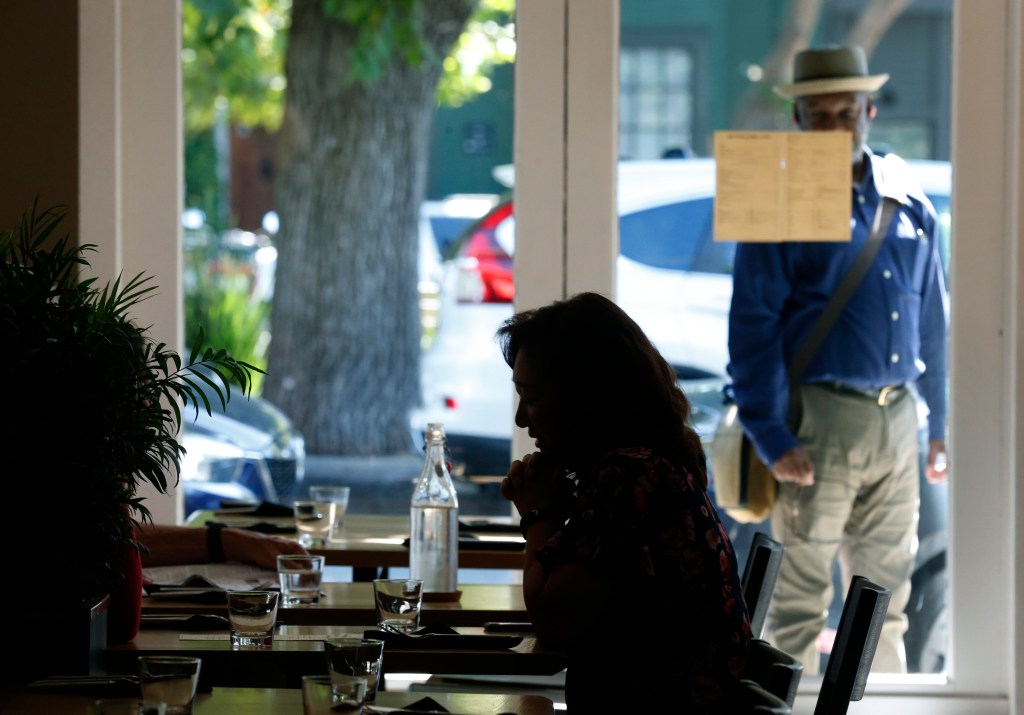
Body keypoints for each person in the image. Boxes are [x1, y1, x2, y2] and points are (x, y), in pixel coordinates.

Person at [727, 44, 950, 675]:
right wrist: (771, 434)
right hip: (815, 422)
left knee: (885, 601)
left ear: (869, 111)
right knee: (799, 599)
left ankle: (881, 707)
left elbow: (934, 320)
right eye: (819, 114)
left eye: (846, 111)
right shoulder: (778, 198)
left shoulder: (907, 197)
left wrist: (939, 425)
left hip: (896, 417)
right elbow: (752, 327)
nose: (835, 125)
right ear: (799, 122)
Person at [497, 291, 750, 713]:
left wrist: (540, 513)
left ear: (586, 398)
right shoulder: (651, 465)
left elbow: (556, 624)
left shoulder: (630, 478)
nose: (522, 419)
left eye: (534, 397)